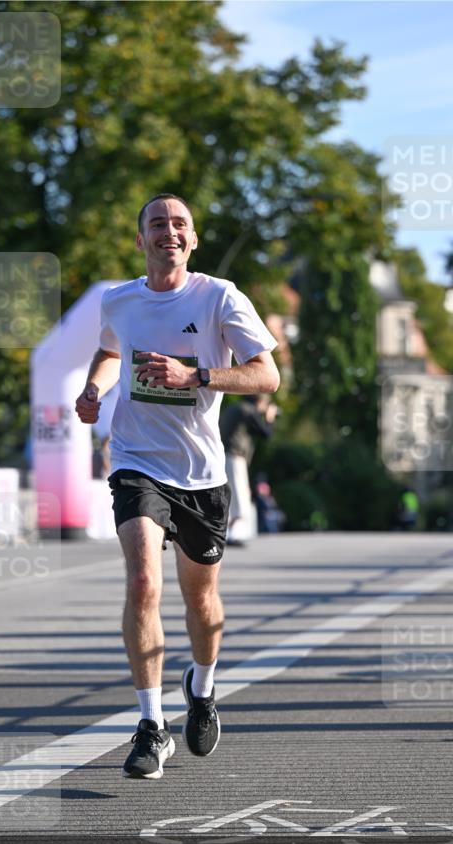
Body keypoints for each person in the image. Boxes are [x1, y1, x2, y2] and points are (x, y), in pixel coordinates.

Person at [75, 193, 279, 779]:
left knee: (200, 600)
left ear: (193, 240)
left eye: (179, 224)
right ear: (140, 239)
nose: (169, 231)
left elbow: (268, 374)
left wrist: (198, 375)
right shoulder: (120, 300)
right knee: (142, 581)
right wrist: (94, 388)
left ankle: (205, 689)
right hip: (137, 461)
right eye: (157, 224)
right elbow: (110, 348)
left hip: (202, 474)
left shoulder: (219, 296)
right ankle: (148, 725)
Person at [219, 394, 277, 544]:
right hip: (234, 456)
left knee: (230, 496)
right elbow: (266, 433)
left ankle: (229, 533)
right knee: (239, 497)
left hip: (223, 456)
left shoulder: (234, 408)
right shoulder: (247, 410)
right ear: (259, 400)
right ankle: (234, 535)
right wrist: (269, 417)